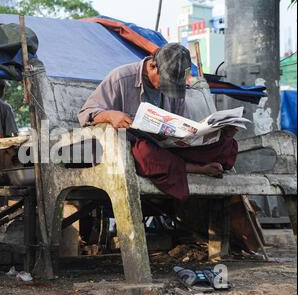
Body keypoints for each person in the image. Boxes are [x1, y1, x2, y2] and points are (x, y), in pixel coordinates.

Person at [77, 43, 238, 201]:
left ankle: (186, 164)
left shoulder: (175, 90)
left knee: (227, 145)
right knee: (145, 153)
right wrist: (110, 115)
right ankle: (194, 168)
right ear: (153, 66)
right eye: (166, 84)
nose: (166, 90)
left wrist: (215, 133)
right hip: (133, 150)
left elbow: (186, 125)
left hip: (168, 148)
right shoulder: (121, 77)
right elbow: (86, 114)